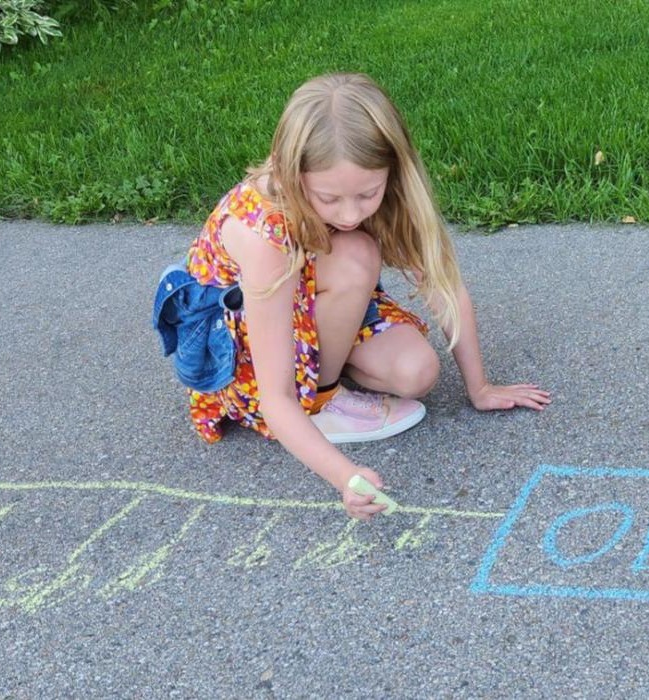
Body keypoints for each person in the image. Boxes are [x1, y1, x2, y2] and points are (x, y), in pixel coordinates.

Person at [154, 73, 550, 522]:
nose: (350, 213)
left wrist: (479, 388)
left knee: (416, 372)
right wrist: (344, 476)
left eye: (368, 194)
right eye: (328, 198)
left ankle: (327, 370)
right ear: (291, 172)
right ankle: (321, 401)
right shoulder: (262, 237)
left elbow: (443, 285)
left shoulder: (387, 191)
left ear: (391, 171)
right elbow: (275, 398)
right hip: (242, 350)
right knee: (358, 253)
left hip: (315, 296)